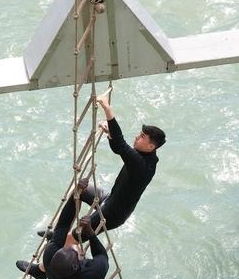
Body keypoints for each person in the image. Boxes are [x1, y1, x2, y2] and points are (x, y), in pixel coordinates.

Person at [39, 91, 166, 237]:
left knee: (75, 237)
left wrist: (107, 108)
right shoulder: (145, 155)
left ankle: (51, 253)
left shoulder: (141, 165)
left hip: (112, 214)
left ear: (151, 146)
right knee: (80, 191)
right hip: (110, 199)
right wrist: (110, 133)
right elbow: (118, 148)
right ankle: (59, 232)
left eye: (142, 137)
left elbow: (120, 145)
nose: (137, 137)